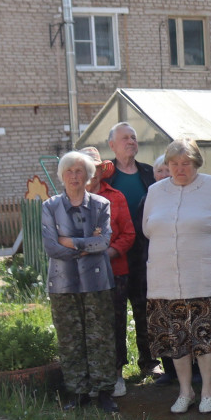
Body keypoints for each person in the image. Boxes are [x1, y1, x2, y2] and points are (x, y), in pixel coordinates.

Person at [142, 137, 211, 414]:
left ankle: (208, 390)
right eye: (174, 164)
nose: (180, 169)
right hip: (164, 279)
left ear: (196, 164)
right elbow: (147, 229)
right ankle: (185, 391)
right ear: (167, 165)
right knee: (177, 339)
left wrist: (209, 253)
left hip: (205, 279)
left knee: (206, 337)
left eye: (186, 164)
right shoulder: (155, 191)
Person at [43, 151, 119, 413]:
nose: (74, 176)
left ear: (89, 176)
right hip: (62, 284)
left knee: (101, 337)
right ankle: (77, 392)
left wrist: (71, 242)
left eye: (79, 171)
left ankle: (104, 392)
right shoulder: (50, 206)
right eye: (69, 172)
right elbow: (51, 247)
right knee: (69, 338)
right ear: (62, 176)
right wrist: (85, 246)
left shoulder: (100, 204)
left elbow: (103, 241)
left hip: (96, 282)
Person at [105, 122, 162, 385]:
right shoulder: (105, 179)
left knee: (145, 309)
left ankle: (149, 362)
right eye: (125, 138)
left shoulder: (149, 174)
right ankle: (116, 367)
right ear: (112, 145)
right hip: (114, 255)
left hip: (145, 254)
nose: (131, 141)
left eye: (134, 138)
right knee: (115, 313)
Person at [81, 147, 137, 397]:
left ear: (101, 172)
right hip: (80, 274)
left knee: (114, 323)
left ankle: (116, 376)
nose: (90, 175)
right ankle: (93, 376)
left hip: (114, 271)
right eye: (85, 170)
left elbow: (129, 234)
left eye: (94, 170)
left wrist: (110, 252)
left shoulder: (116, 197)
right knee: (87, 325)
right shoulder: (70, 199)